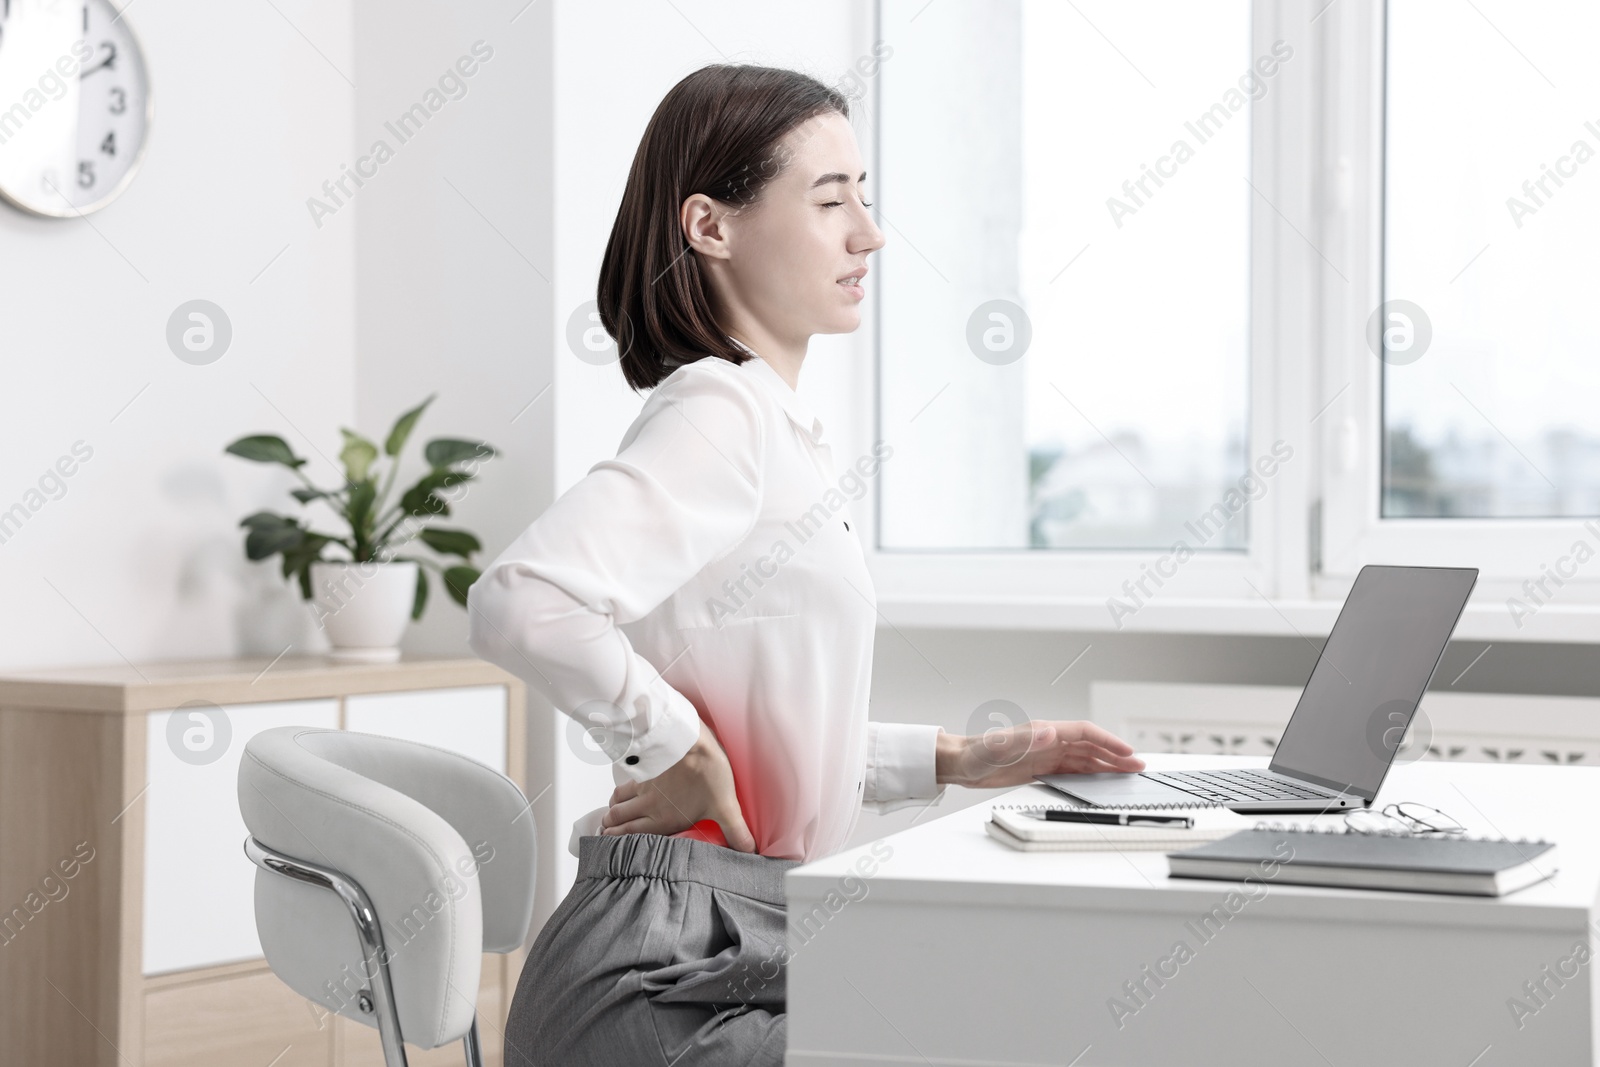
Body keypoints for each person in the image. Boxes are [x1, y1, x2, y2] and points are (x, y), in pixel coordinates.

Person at [466, 62, 1146, 1067]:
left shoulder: (772, 426)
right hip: (660, 969)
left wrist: (956, 759)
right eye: (830, 200)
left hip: (725, 931)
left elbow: (761, 710)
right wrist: (673, 742)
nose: (867, 233)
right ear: (710, 226)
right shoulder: (721, 412)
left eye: (864, 199)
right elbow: (517, 600)